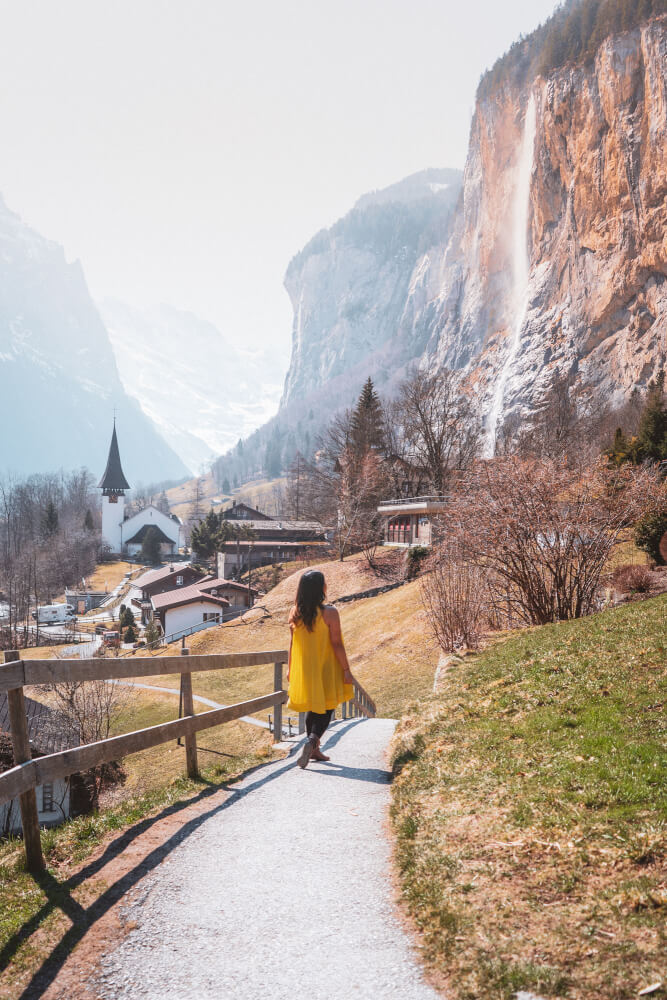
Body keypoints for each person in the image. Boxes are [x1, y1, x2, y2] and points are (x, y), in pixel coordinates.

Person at [287, 569, 354, 769]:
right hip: (326, 666)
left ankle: (314, 750)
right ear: (320, 589)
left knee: (312, 706)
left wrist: (291, 669)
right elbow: (336, 644)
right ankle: (313, 740)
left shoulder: (295, 612)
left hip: (305, 668)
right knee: (327, 707)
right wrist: (346, 669)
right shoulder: (330, 613)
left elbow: (292, 644)